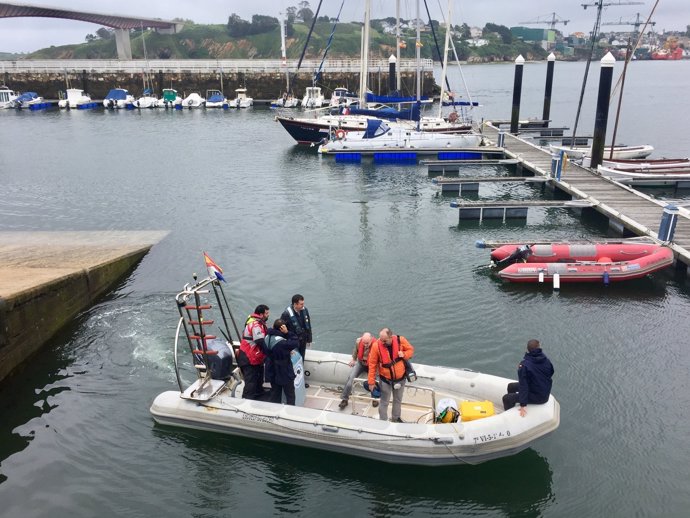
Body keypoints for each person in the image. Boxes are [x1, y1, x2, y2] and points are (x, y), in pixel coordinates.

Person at [367, 328, 414, 422]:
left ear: (390, 337)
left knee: (398, 400)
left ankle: (396, 418)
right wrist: (371, 382)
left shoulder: (401, 340)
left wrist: (404, 354)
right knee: (384, 402)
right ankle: (383, 420)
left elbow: (411, 350)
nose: (382, 342)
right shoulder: (376, 346)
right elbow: (372, 365)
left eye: (384, 340)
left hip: (400, 379)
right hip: (385, 380)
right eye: (381, 339)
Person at [502, 339, 555, 417]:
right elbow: (551, 373)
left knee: (506, 398)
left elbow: (524, 385)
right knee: (511, 386)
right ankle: (513, 406)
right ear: (539, 347)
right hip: (542, 390)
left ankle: (508, 416)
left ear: (527, 349)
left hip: (539, 397)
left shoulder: (524, 366)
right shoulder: (546, 360)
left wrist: (523, 405)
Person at [237, 305, 270, 400]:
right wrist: (269, 352)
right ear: (261, 314)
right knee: (250, 381)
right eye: (266, 313)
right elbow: (260, 341)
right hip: (248, 357)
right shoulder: (255, 325)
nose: (268, 315)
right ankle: (247, 400)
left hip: (255, 357)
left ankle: (259, 394)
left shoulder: (258, 323)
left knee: (258, 378)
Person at [338, 332, 379, 409]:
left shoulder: (376, 345)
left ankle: (375, 398)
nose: (365, 345)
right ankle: (344, 399)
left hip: (371, 365)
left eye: (367, 343)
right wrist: (353, 359)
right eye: (364, 343)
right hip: (361, 363)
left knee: (374, 381)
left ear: (371, 340)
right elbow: (356, 350)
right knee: (351, 379)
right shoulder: (358, 341)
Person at [264, 319, 300, 405]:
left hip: (271, 368)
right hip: (283, 369)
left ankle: (274, 410)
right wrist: (287, 333)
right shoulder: (282, 342)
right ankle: (290, 411)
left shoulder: (266, 337)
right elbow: (296, 342)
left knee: (275, 392)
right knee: (290, 394)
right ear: (282, 328)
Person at [281, 294, 312, 385]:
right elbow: (281, 329)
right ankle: (292, 381)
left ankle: (301, 380)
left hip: (302, 341)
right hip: (292, 342)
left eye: (303, 303)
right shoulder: (286, 314)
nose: (303, 306)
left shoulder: (304, 310)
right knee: (293, 361)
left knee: (301, 359)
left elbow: (308, 325)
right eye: (301, 304)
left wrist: (309, 338)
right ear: (295, 304)